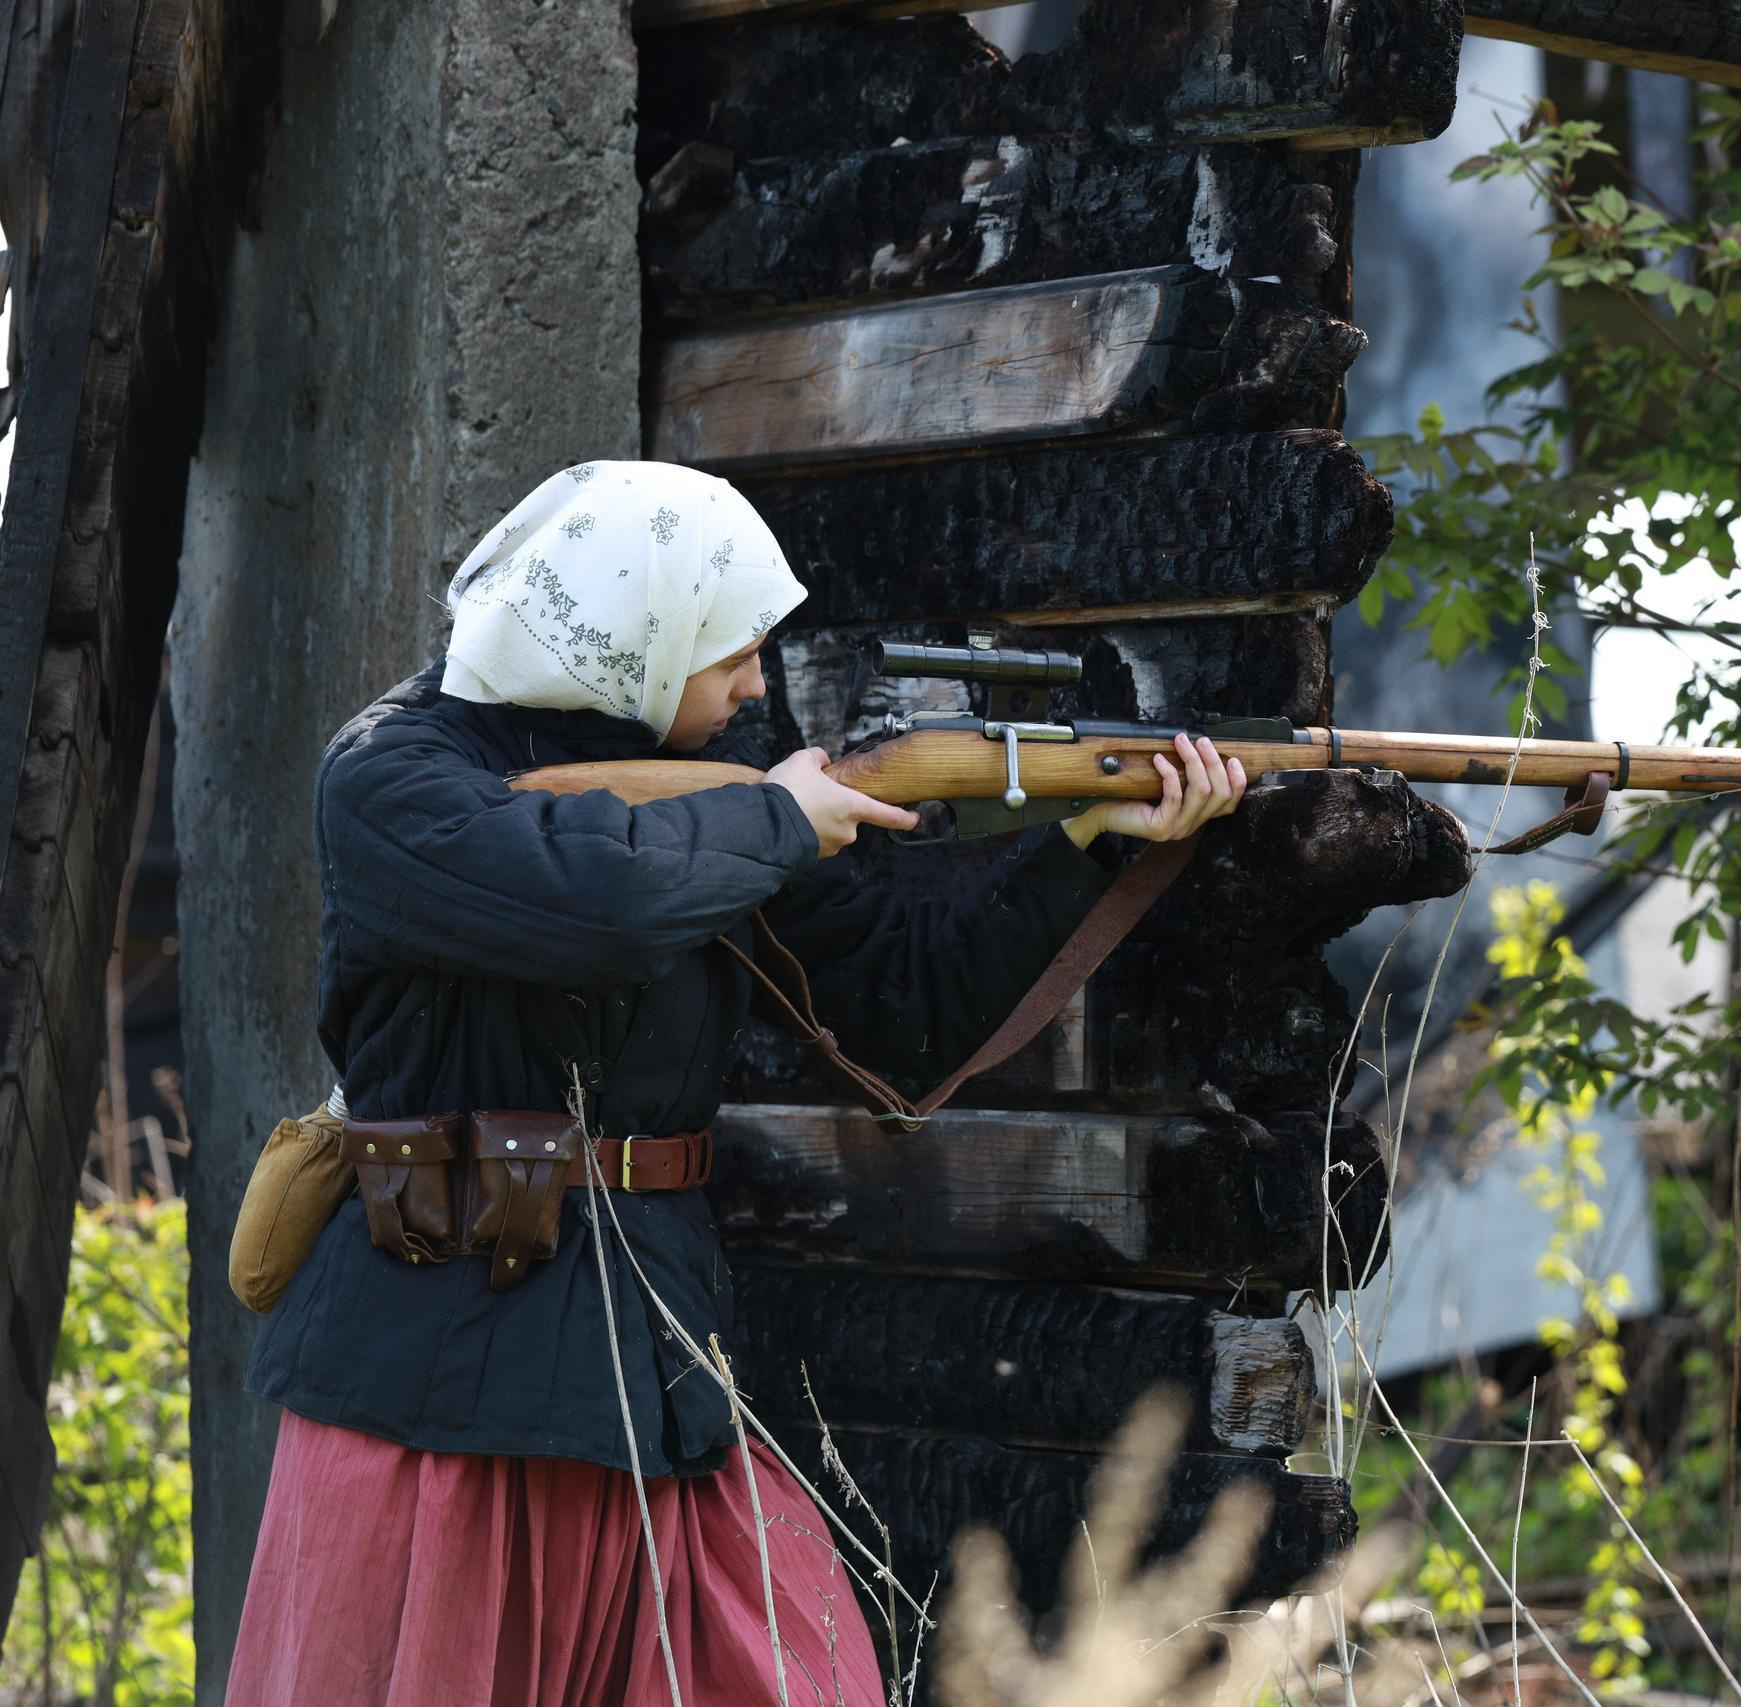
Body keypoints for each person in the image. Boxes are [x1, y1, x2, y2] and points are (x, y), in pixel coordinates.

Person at [226, 461, 1247, 1705]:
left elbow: (905, 997)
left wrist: (1090, 844)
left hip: (655, 1362)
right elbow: (598, 904)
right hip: (435, 1382)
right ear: (638, 632)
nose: (757, 685)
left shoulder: (711, 778)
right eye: (732, 654)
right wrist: (777, 822)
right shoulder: (391, 774)